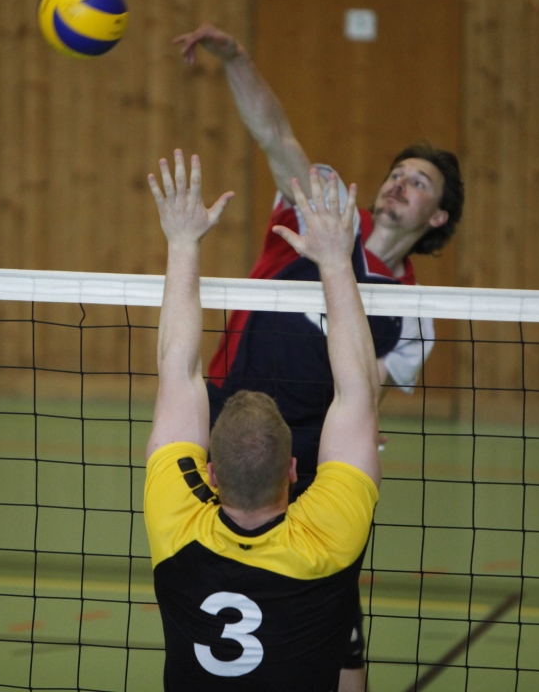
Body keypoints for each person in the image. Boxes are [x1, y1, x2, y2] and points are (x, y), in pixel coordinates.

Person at [174, 24, 466, 689]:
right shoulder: (322, 214)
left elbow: (362, 398)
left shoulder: (413, 316)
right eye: (396, 174)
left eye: (419, 183)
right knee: (210, 579)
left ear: (437, 218)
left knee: (336, 628)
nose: (399, 184)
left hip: (310, 458)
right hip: (226, 421)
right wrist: (236, 58)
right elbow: (275, 135)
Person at [143, 150, 381, 692]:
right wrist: (336, 261)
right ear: (294, 470)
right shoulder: (327, 538)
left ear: (211, 474)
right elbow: (359, 394)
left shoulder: (176, 525)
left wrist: (182, 242)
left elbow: (178, 372)